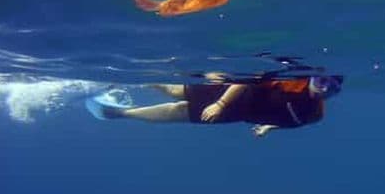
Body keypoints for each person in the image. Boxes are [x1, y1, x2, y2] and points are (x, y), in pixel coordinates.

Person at [86, 75, 342, 137]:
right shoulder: (292, 81)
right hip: (231, 93)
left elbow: (288, 122)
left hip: (238, 113)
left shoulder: (315, 113)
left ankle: (116, 113)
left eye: (332, 87)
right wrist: (220, 103)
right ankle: (132, 78)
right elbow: (249, 81)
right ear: (313, 77)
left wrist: (267, 128)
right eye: (322, 81)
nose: (325, 88)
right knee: (176, 91)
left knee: (179, 112)